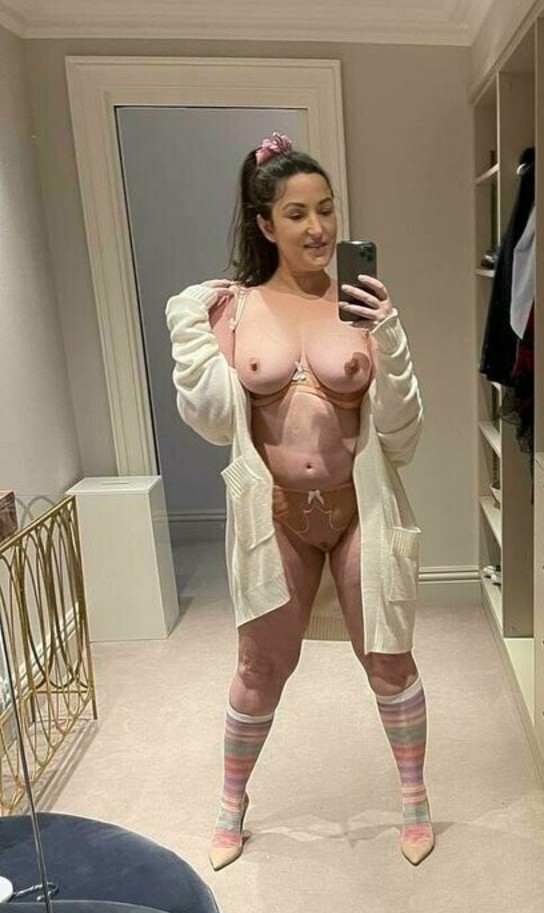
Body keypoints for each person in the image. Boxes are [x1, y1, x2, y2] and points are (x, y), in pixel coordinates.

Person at [166, 133, 433, 870]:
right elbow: (212, 420)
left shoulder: (362, 306)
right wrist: (197, 329)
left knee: (388, 657)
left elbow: (404, 434)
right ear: (265, 224)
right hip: (275, 514)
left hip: (360, 509)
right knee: (260, 667)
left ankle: (413, 795)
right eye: (296, 214)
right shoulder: (232, 308)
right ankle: (232, 802)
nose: (318, 228)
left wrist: (390, 340)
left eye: (326, 209)